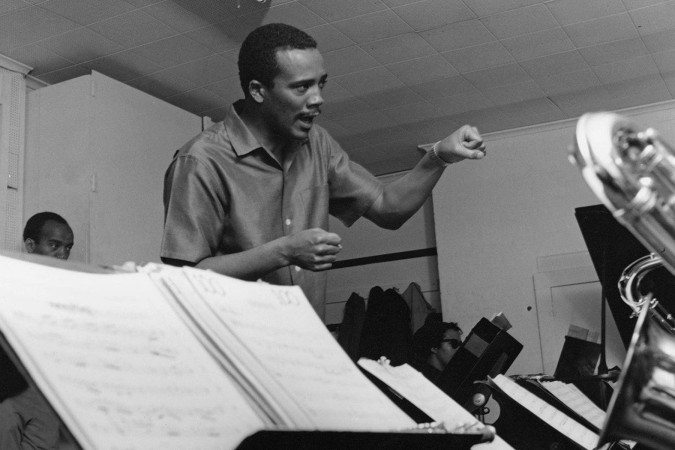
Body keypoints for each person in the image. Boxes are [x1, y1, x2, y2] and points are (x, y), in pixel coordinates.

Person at [161, 23, 486, 319]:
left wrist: (438, 157)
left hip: (307, 344)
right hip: (234, 352)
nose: (318, 99)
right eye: (301, 88)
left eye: (320, 84)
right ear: (258, 91)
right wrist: (284, 250)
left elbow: (389, 209)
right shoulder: (201, 161)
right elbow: (185, 278)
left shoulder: (317, 144)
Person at [0, 212, 74, 448]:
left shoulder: (72, 290)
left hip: (47, 399)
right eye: (54, 245)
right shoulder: (7, 281)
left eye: (68, 247)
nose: (63, 254)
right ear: (30, 246)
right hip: (8, 395)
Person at [411, 321, 463, 385]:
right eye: (454, 343)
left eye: (461, 344)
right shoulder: (423, 381)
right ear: (434, 347)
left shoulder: (451, 378)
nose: (459, 348)